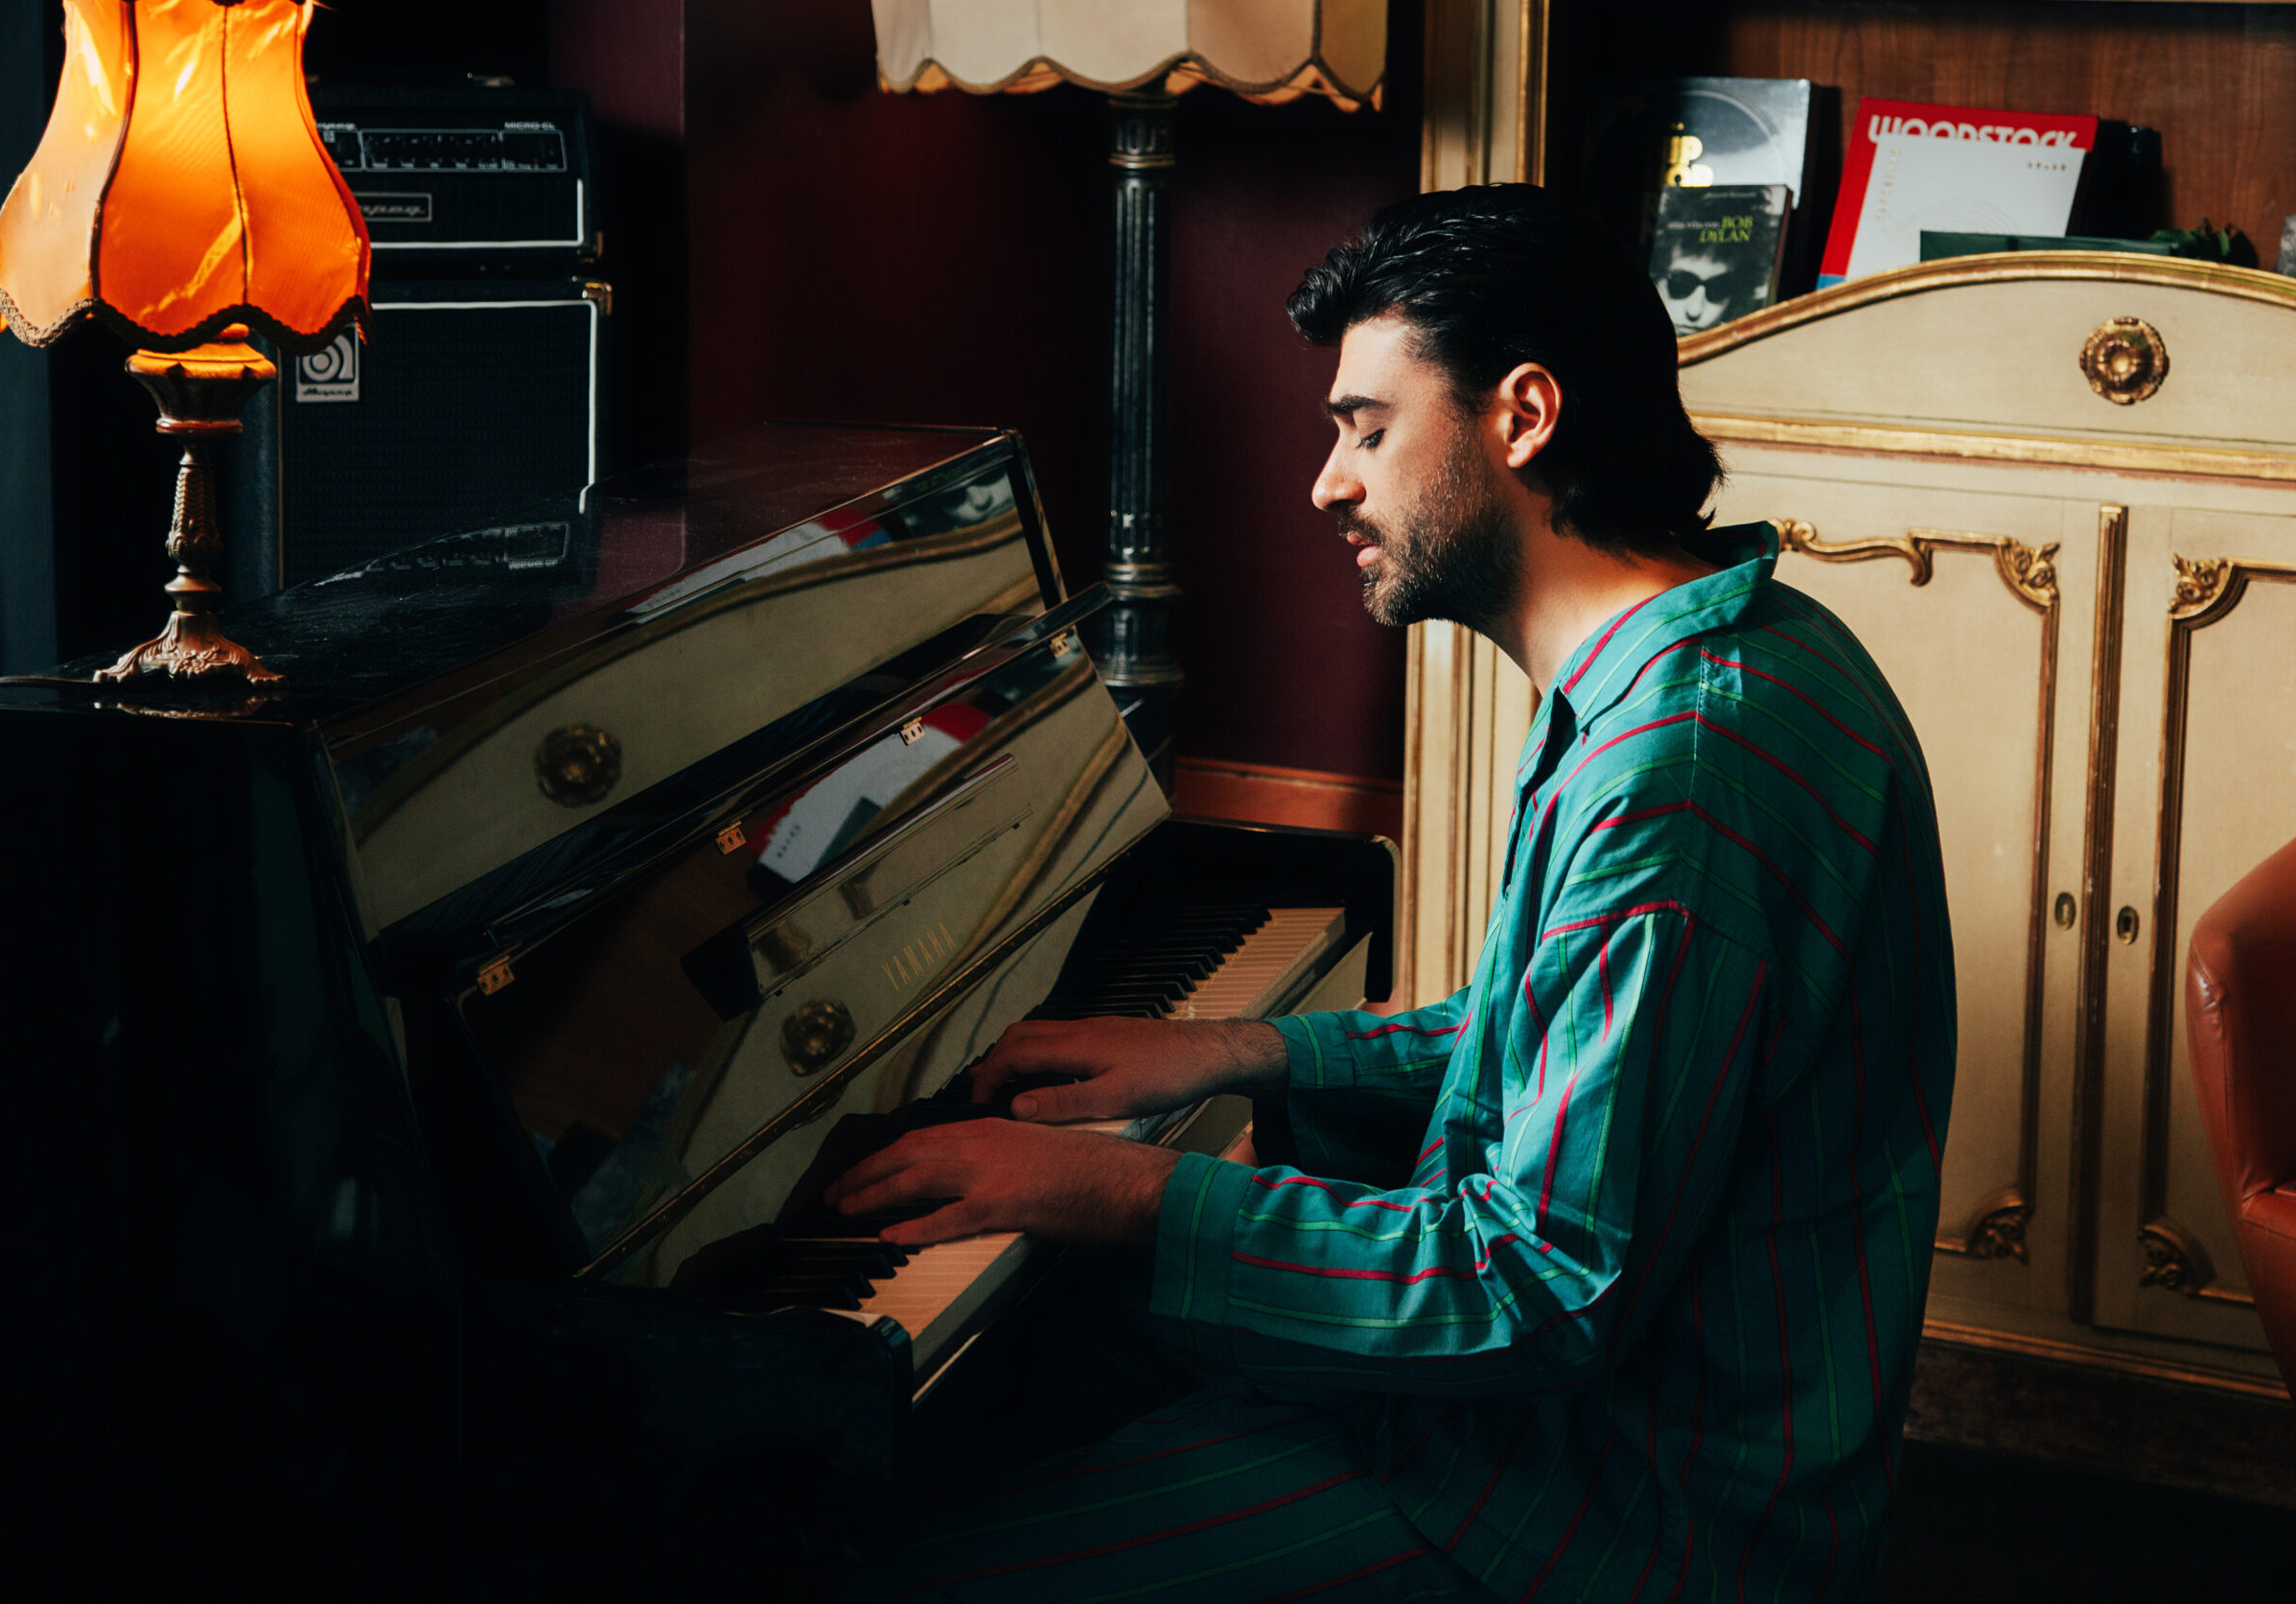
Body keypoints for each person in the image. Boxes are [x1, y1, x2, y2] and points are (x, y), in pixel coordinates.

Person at [829, 183, 1957, 1603]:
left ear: (1524, 416)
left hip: (1615, 1507)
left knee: (944, 1569)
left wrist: (1117, 1187)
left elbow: (1541, 1289)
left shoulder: (1681, 765)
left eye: (1368, 428)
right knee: (1070, 1378)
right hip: (1610, 1430)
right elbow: (1557, 1037)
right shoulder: (1747, 646)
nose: (1329, 483)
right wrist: (1246, 1046)